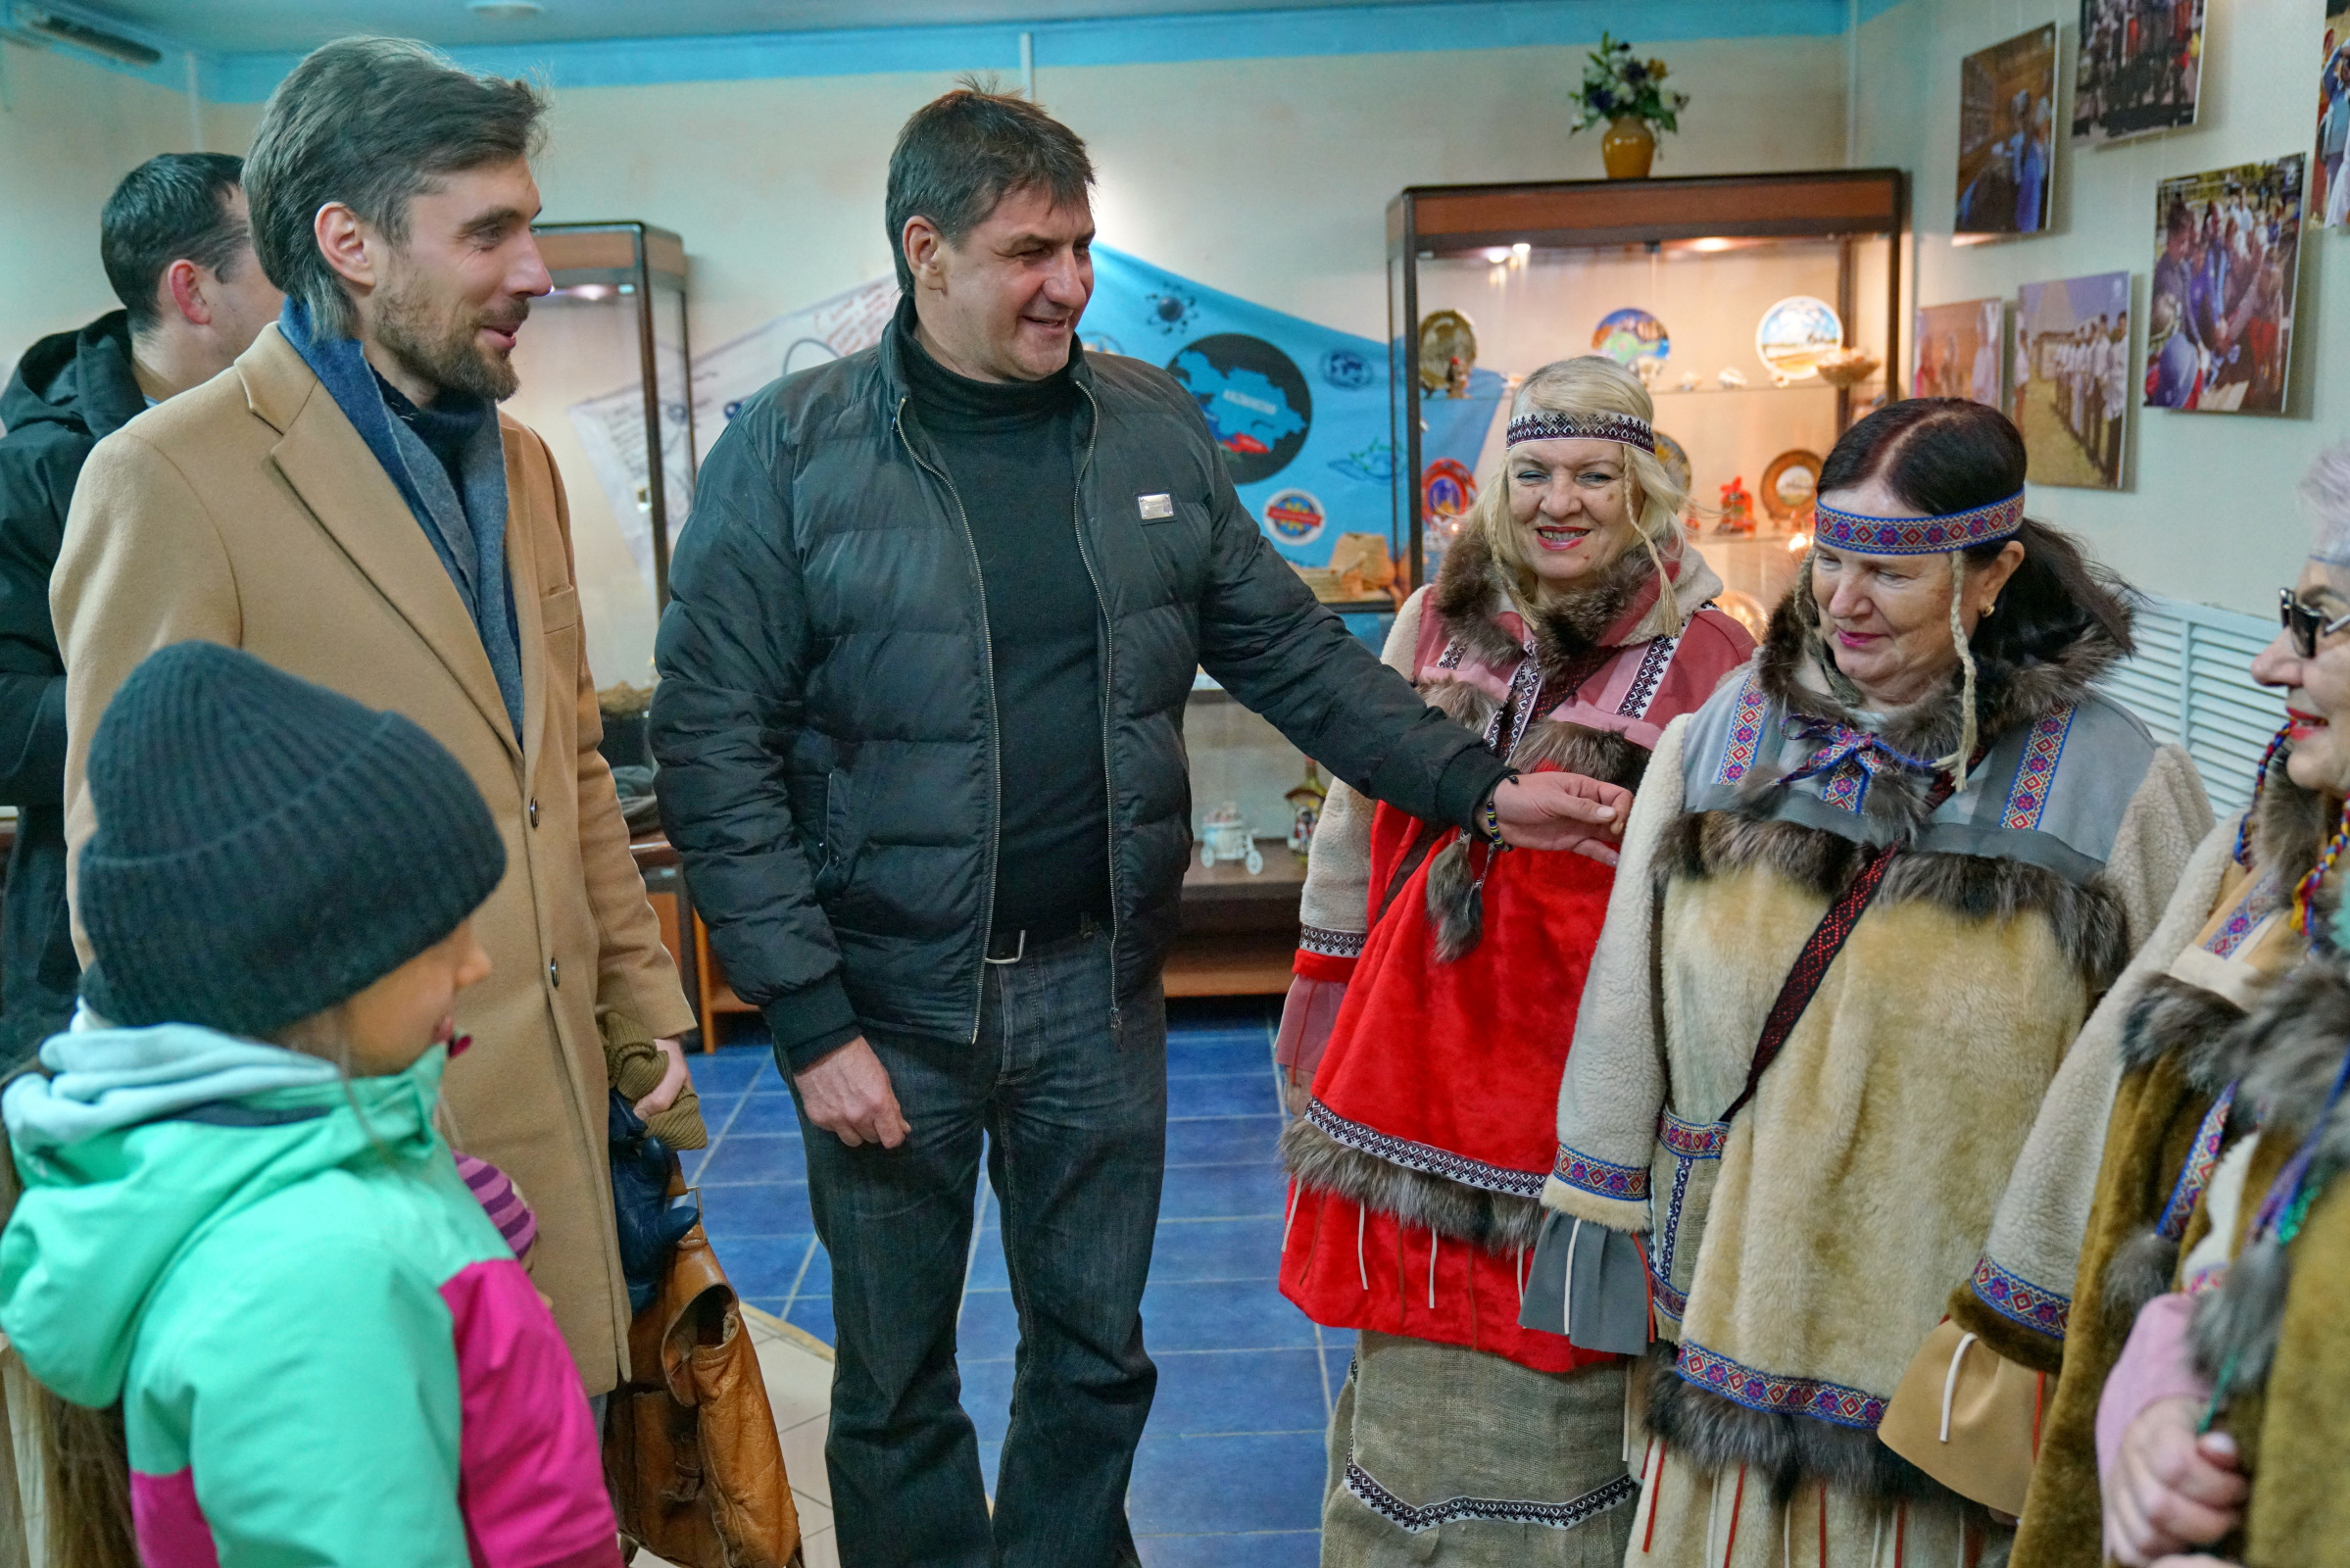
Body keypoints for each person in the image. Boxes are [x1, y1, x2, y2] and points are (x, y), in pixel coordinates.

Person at [649, 84, 1623, 1568]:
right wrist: (806, 1016)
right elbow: (711, 743)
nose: (1069, 284)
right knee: (895, 1379)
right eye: (1029, 252)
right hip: (885, 1005)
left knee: (1095, 1356)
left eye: (1081, 248)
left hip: (1096, 991)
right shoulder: (788, 450)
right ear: (925, 250)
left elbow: (1289, 654)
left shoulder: (1149, 425)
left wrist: (1480, 788)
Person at [50, 38, 701, 1402]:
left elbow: (568, 768)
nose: (535, 270)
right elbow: (134, 902)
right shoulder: (166, 478)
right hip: (355, 1198)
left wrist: (643, 1015)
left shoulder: (521, 463)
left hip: (571, 1145)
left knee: (561, 1473)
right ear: (349, 243)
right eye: (490, 232)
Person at [1540, 399, 2211, 1563]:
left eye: (1891, 572)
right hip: (1730, 1314)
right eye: (1832, 558)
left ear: (1993, 572)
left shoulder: (2117, 788)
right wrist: (1605, 1208)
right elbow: (1625, 1001)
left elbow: (2168, 1082)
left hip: (1946, 1358)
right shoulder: (1722, 740)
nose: (1843, 601)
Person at [1273, 357, 1753, 1564]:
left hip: (1582, 1083)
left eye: (1594, 474)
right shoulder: (1434, 620)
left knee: (1562, 1356)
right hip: (1408, 1056)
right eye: (1532, 471)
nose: (1559, 501)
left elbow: (1725, 900)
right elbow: (1351, 813)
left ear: (1644, 486)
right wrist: (1323, 980)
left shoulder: (1711, 655)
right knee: (1408, 1345)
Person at [0, 641, 622, 1568]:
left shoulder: (308, 1195)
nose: (476, 963)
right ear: (305, 977)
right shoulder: (310, 1283)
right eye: (435, 938)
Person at [1993, 445, 2350, 1568]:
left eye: (2318, 625)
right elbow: (2245, 1211)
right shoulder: (2292, 863)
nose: (2267, 664)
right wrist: (2159, 1386)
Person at [0, 153, 280, 1069]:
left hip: (289, 907)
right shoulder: (41, 472)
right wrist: (196, 713)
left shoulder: (300, 432)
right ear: (192, 291)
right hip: (114, 937)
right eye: (278, 258)